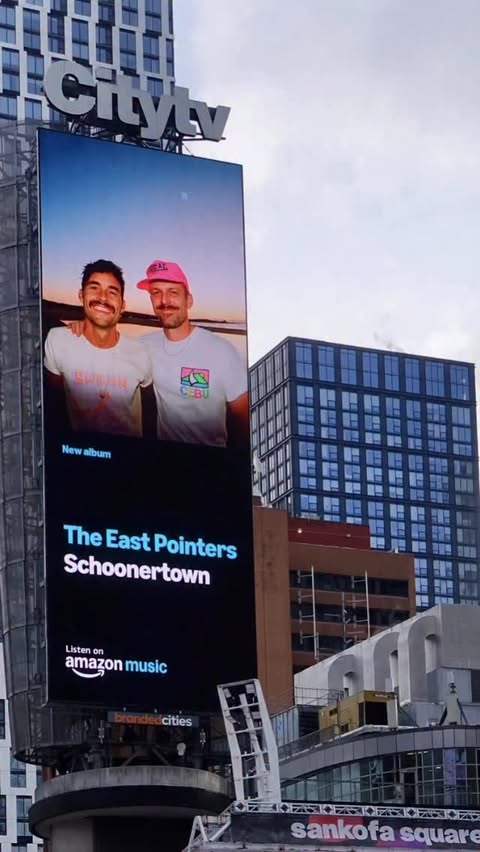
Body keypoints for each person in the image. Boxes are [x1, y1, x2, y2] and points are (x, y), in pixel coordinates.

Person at [136, 259, 249, 448]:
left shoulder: (222, 351)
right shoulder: (144, 346)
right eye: (156, 293)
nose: (164, 301)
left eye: (173, 292)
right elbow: (109, 349)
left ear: (189, 300)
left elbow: (244, 419)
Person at [44, 259, 155, 438]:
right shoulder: (58, 341)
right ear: (81, 295)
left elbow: (150, 415)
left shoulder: (141, 352)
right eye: (94, 288)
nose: (103, 297)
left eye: (112, 292)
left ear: (122, 306)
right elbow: (55, 404)